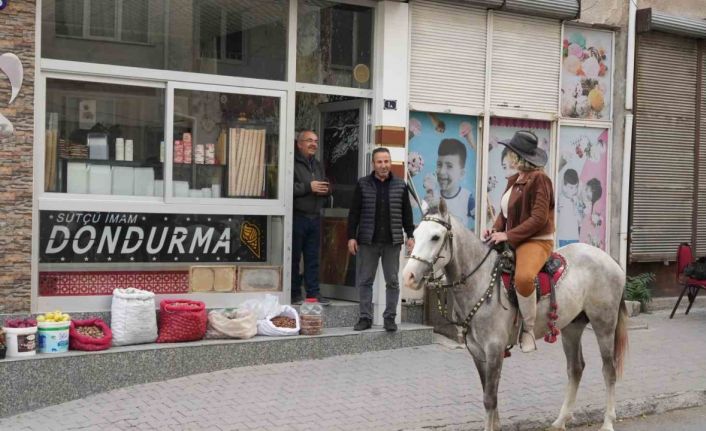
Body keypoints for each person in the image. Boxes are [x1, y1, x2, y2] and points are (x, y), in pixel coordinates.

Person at [483, 130, 555, 353]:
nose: (508, 155)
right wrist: (495, 230)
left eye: (511, 152)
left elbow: (538, 218)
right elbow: (505, 214)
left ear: (518, 156)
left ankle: (529, 331)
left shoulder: (540, 179)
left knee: (523, 278)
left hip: (536, 240)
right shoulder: (515, 179)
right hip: (514, 238)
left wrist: (508, 235)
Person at [348, 147, 415, 332]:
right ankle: (365, 318)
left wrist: (410, 235)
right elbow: (354, 213)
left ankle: (390, 318)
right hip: (368, 241)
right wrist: (351, 237)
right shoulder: (363, 184)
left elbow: (407, 213)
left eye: (386, 161)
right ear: (373, 164)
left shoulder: (401, 185)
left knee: (393, 282)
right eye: (379, 162)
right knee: (365, 281)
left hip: (392, 242)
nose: (383, 165)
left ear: (390, 162)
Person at [292, 130, 331, 305]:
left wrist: (327, 189)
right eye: (309, 141)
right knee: (293, 258)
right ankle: (293, 293)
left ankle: (313, 294)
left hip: (315, 217)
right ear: (299, 143)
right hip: (296, 216)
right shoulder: (291, 162)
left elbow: (326, 184)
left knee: (313, 258)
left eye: (316, 141)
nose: (313, 144)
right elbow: (285, 188)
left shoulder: (317, 164)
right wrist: (309, 187)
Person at [425, 138, 475, 228]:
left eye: (449, 166)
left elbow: (481, 220)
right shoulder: (432, 197)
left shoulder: (467, 199)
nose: (442, 172)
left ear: (462, 173)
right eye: (439, 165)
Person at [557, 168, 580, 247]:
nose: (574, 190)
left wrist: (575, 205)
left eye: (576, 187)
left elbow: (578, 219)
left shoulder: (576, 200)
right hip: (562, 236)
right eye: (571, 187)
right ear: (564, 186)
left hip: (574, 236)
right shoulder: (560, 199)